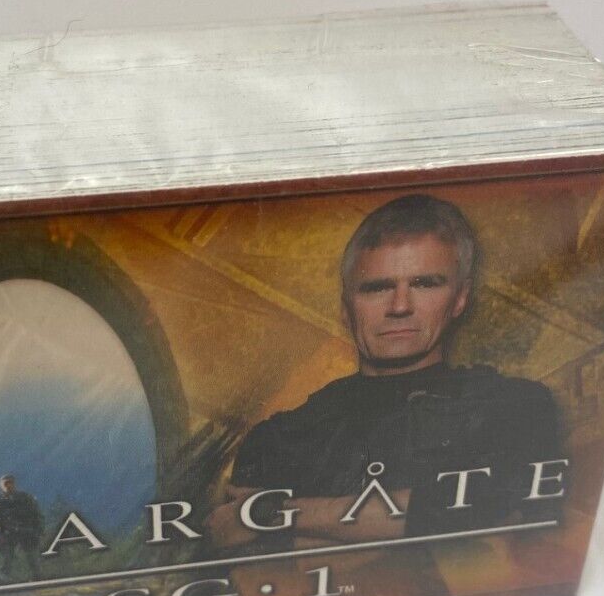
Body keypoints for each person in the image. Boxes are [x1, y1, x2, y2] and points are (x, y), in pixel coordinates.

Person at [228, 195, 566, 537]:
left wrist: (281, 514)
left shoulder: (514, 406)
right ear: (346, 306)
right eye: (377, 288)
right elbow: (237, 544)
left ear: (460, 298)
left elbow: (506, 520)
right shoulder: (279, 439)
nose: (400, 306)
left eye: (424, 284)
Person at [0, 474, 46, 577]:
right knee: (7, 559)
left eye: (11, 483)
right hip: (8, 534)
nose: (9, 486)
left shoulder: (26, 498)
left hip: (27, 532)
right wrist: (1, 530)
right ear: (1, 486)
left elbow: (37, 514)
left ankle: (38, 577)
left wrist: (39, 529)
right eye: (6, 484)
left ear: (14, 484)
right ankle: (4, 579)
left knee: (33, 559)